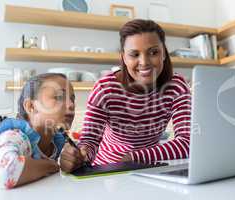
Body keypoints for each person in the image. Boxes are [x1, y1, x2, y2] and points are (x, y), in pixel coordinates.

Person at [60, 19, 191, 172]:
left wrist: (133, 158)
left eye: (153, 52)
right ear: (123, 57)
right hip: (107, 169)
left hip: (149, 166)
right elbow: (90, 140)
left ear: (164, 53)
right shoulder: (105, 88)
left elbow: (188, 141)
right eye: (134, 54)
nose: (144, 62)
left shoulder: (177, 86)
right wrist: (79, 156)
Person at [0, 73, 75, 189]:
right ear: (31, 106)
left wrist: (73, 160)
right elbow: (4, 172)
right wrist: (53, 166)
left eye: (72, 99)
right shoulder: (14, 135)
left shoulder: (56, 143)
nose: (71, 105)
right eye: (60, 97)